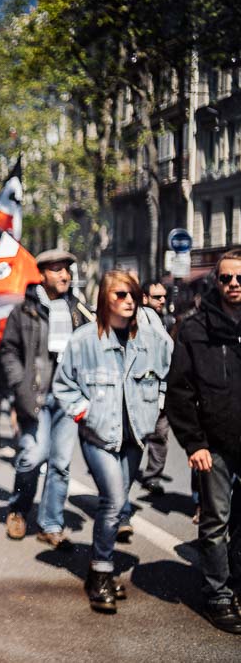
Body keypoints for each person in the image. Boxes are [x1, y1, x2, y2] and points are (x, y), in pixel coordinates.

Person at [53, 270, 171, 614]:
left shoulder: (150, 339)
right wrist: (84, 413)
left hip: (135, 434)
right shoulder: (84, 340)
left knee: (118, 504)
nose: (129, 301)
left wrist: (157, 404)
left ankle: (97, 570)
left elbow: (170, 370)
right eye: (121, 295)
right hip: (99, 436)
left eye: (133, 294)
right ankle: (102, 572)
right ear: (106, 298)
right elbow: (63, 386)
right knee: (114, 500)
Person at [165, 249, 241, 634]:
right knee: (215, 523)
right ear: (216, 282)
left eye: (239, 278)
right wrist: (194, 443)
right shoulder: (196, 329)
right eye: (226, 278)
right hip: (215, 444)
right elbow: (178, 391)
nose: (233, 285)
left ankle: (236, 583)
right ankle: (218, 595)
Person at [0, 249, 92, 548]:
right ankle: (18, 508)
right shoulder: (24, 310)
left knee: (61, 463)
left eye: (67, 269)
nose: (64, 275)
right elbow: (9, 351)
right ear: (41, 274)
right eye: (56, 269)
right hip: (35, 396)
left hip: (68, 397)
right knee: (33, 456)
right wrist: (19, 386)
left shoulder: (79, 310)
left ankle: (51, 524)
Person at [135, 280, 176, 498]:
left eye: (163, 297)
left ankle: (153, 477)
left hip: (162, 387)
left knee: (160, 434)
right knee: (136, 435)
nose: (162, 300)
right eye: (156, 297)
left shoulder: (169, 320)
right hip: (141, 388)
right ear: (144, 298)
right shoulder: (136, 319)